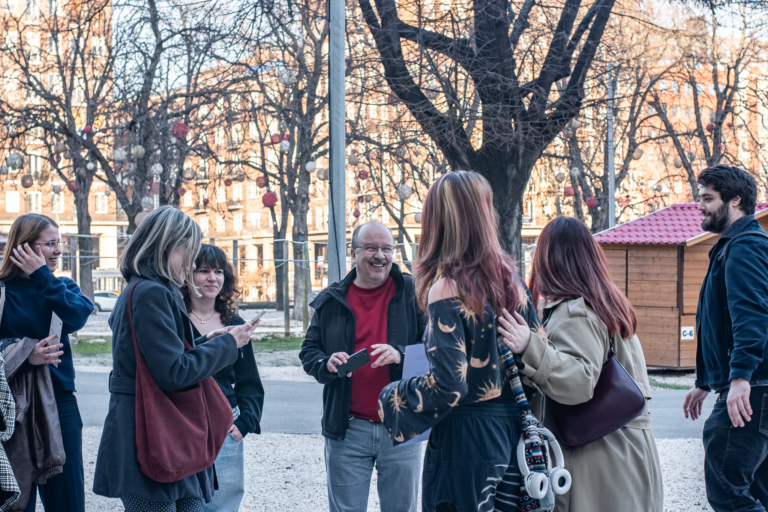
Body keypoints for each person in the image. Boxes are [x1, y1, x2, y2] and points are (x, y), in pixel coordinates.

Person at [378, 171, 542, 512]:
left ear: (437, 221)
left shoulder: (447, 288)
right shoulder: (513, 283)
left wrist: (392, 398)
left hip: (465, 440)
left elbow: (449, 384)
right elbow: (537, 364)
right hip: (511, 435)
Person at [93, 206, 260, 512]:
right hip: (151, 433)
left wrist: (205, 342)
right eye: (191, 252)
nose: (194, 262)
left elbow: (158, 355)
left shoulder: (148, 289)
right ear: (167, 247)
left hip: (159, 430)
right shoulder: (150, 292)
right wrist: (228, 345)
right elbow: (172, 372)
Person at [497, 215, 663, 512]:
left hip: (599, 455)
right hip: (626, 449)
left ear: (548, 258)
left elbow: (578, 382)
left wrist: (528, 346)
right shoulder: (605, 303)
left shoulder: (576, 312)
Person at [299, 221, 426, 512]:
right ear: (353, 253)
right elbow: (309, 352)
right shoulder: (332, 300)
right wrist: (325, 363)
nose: (379, 255)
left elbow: (436, 350)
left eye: (386, 248)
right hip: (347, 428)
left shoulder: (412, 292)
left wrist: (401, 355)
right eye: (370, 248)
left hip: (402, 425)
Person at [682, 165, 768, 512]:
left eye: (707, 199)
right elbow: (723, 324)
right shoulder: (738, 245)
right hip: (758, 387)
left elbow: (752, 316)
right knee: (759, 490)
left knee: (728, 490)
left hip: (754, 389)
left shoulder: (744, 246)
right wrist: (708, 380)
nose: (699, 206)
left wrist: (740, 378)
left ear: (735, 200)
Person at [0, 214, 94, 512]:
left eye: (59, 243)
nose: (58, 251)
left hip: (61, 404)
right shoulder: (3, 291)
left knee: (67, 500)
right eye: (50, 244)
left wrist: (42, 276)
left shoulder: (60, 286)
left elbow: (77, 315)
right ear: (23, 248)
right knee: (17, 501)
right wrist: (26, 354)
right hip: (11, 407)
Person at [181, 244, 264, 512]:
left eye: (218, 271)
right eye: (203, 271)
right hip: (182, 423)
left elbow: (250, 382)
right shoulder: (176, 319)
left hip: (225, 427)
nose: (212, 278)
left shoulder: (235, 323)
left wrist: (244, 424)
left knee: (222, 507)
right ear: (188, 274)